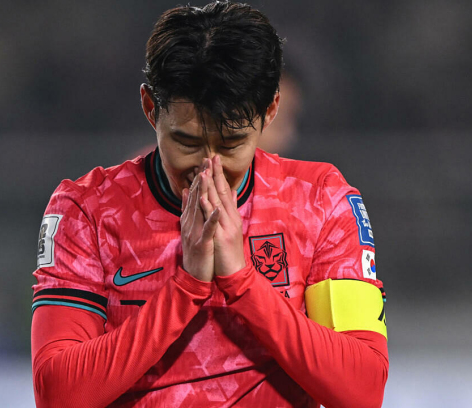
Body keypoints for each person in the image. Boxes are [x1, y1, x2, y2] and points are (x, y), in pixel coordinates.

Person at [31, 2, 388, 407]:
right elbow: (58, 396)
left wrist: (243, 283)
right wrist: (185, 289)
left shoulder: (320, 200)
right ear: (150, 108)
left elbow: (363, 392)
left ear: (270, 110)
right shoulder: (88, 210)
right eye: (186, 142)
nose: (208, 166)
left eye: (232, 144)